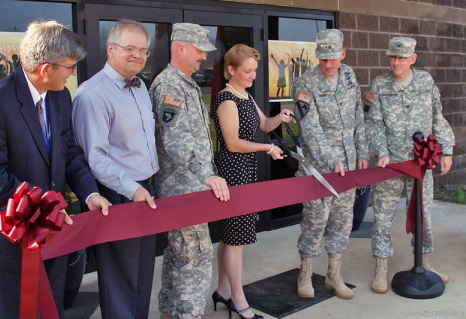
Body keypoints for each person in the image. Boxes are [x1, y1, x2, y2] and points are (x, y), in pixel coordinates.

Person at [0, 20, 110, 318]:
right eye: (69, 67)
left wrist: (90, 193)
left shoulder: (60, 96)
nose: (73, 73)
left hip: (52, 233)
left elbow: (70, 154)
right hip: (9, 240)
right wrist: (45, 206)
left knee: (50, 309)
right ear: (45, 68)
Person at [72, 19, 159, 318]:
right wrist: (133, 188)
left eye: (143, 50)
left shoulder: (140, 86)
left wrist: (145, 186)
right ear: (110, 49)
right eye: (130, 48)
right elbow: (94, 159)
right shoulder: (93, 94)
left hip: (144, 189)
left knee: (142, 273)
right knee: (120, 280)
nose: (138, 55)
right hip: (118, 193)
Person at [149, 22, 230, 319]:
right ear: (180, 47)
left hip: (190, 186)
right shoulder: (169, 85)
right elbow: (176, 140)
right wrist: (205, 173)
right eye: (198, 50)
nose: (203, 58)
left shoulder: (184, 82)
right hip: (183, 187)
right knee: (194, 258)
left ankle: (169, 313)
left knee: (177, 256)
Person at [364, 37, 455, 293]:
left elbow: (438, 117)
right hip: (390, 165)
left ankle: (425, 263)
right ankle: (381, 267)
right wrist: (380, 152)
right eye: (392, 57)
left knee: (423, 215)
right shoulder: (380, 84)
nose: (396, 62)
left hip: (420, 164)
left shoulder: (426, 81)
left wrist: (446, 150)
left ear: (413, 58)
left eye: (402, 58)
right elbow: (374, 124)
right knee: (382, 216)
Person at [211, 44, 294, 319]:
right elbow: (233, 144)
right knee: (236, 241)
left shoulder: (244, 95)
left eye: (255, 70)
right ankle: (238, 299)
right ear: (231, 69)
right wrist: (267, 149)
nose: (252, 75)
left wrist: (279, 117)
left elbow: (264, 125)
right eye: (247, 71)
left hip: (245, 173)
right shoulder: (226, 100)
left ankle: (223, 291)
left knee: (230, 238)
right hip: (233, 173)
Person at [292, 28, 369, 300]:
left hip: (346, 167)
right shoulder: (305, 84)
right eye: (323, 58)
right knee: (315, 222)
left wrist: (361, 150)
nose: (327, 64)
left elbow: (358, 115)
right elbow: (310, 130)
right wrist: (332, 158)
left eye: (333, 58)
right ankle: (305, 272)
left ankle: (333, 274)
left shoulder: (349, 75)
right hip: (319, 170)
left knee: (341, 221)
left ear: (343, 55)